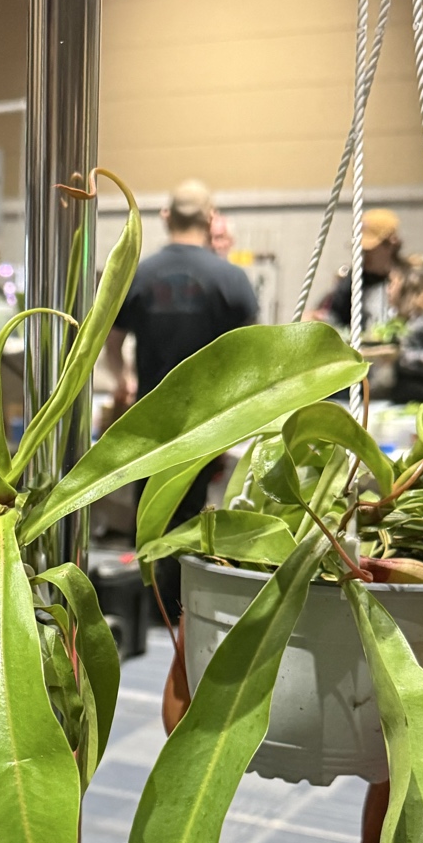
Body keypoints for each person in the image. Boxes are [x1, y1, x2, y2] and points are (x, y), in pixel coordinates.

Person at [104, 179, 260, 616]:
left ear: (166, 216)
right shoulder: (230, 278)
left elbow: (111, 342)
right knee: (193, 511)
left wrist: (124, 379)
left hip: (150, 421)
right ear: (211, 219)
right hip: (207, 420)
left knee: (148, 509)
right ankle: (183, 607)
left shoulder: (138, 274)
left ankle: (147, 603)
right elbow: (251, 355)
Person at [364, 263, 423, 405]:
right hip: (406, 400)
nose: (387, 291)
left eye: (391, 284)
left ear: (408, 287)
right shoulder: (410, 318)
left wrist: (400, 357)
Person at [315, 207, 402, 332]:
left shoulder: (409, 279)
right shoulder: (351, 282)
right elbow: (337, 318)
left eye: (369, 250)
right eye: (361, 250)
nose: (364, 256)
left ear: (391, 244)